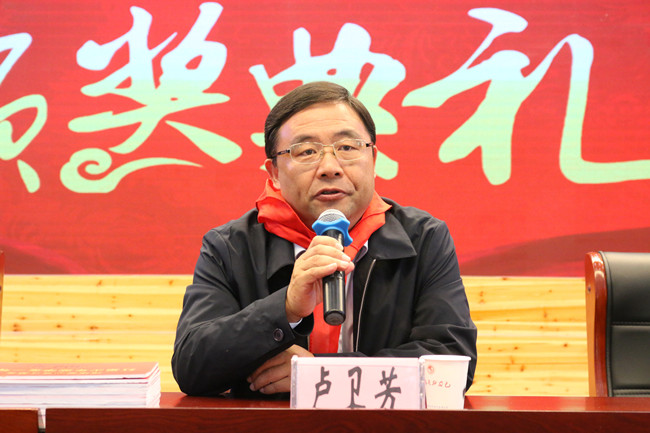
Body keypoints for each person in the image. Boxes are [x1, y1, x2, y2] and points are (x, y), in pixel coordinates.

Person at [172, 81, 477, 397]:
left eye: (347, 148)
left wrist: (319, 374)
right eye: (306, 151)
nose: (330, 168)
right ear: (274, 172)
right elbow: (192, 366)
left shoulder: (423, 238)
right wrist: (284, 309)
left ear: (373, 159)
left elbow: (453, 364)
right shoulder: (229, 247)